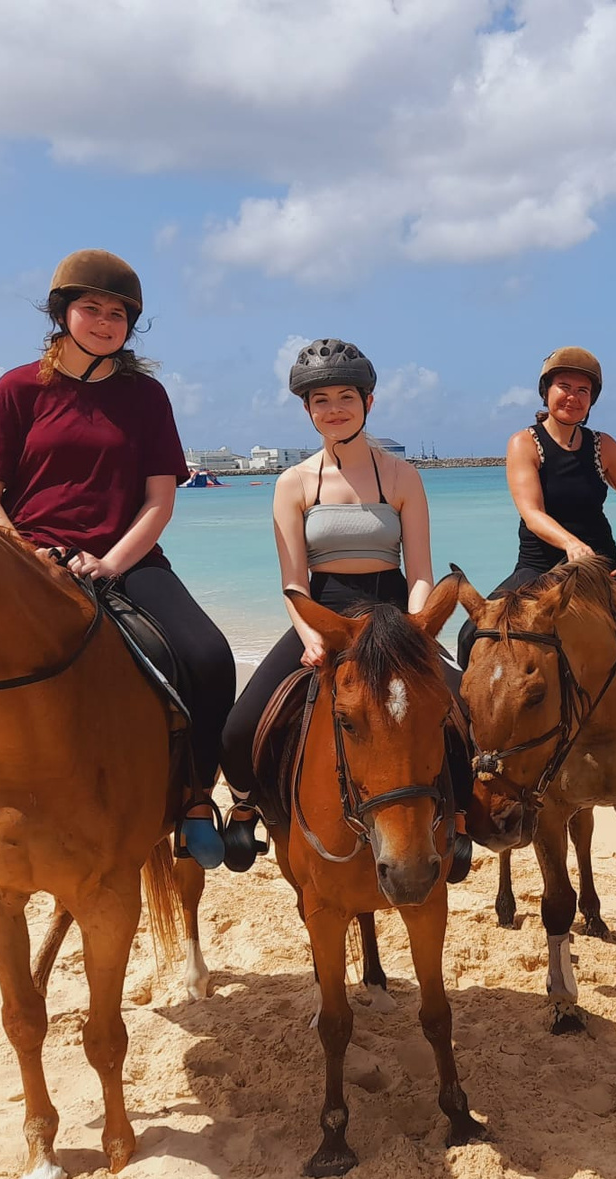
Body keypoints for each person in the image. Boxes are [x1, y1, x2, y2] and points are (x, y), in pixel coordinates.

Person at [0, 249, 236, 883]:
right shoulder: (19, 388)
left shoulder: (147, 397)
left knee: (209, 657)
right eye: (91, 309)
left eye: (117, 313)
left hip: (124, 557)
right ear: (62, 314)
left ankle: (192, 799)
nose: (104, 322)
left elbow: (160, 500)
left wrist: (110, 562)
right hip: (24, 560)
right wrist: (24, 553)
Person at [218, 339, 472, 878]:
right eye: (321, 400)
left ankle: (461, 818)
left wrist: (418, 629)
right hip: (324, 617)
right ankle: (246, 807)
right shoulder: (293, 483)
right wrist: (312, 637)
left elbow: (420, 570)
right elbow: (293, 581)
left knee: (461, 711)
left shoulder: (402, 477)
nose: (334, 409)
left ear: (368, 403)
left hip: (396, 615)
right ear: (307, 410)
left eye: (346, 398)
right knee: (240, 727)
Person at [456, 346, 616, 768]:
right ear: (546, 392)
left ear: (592, 400)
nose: (572, 397)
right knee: (470, 635)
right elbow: (532, 513)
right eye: (563, 386)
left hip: (600, 569)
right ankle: (475, 737)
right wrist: (569, 543)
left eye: (582, 391)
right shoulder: (524, 442)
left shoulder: (603, 446)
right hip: (539, 567)